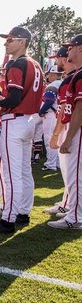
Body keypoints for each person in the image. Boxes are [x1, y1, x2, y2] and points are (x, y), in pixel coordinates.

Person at [0, 26, 44, 233]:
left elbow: (14, 98)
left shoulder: (17, 64)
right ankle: (23, 213)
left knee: (10, 173)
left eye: (10, 39)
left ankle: (8, 219)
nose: (6, 43)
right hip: (29, 120)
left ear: (22, 41)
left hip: (15, 120)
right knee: (24, 171)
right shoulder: (35, 64)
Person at [49, 34, 82, 230]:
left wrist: (68, 138)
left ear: (80, 48)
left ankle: (75, 216)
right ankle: (72, 211)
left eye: (71, 47)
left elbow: (80, 108)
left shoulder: (79, 75)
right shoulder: (76, 74)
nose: (67, 51)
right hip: (74, 128)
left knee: (76, 175)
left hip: (77, 130)